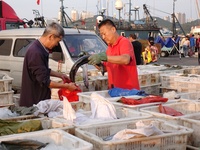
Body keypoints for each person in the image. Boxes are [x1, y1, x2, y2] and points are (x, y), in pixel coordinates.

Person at [20, 22, 78, 107]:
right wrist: (66, 86)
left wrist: (60, 75)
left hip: (41, 100)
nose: (56, 44)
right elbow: (45, 82)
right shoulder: (36, 52)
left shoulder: (41, 48)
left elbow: (43, 70)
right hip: (34, 103)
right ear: (50, 37)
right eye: (57, 41)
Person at [88, 19, 140, 90]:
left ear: (113, 29)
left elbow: (126, 59)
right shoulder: (109, 48)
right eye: (101, 35)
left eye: (104, 34)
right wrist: (91, 60)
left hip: (129, 91)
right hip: (115, 90)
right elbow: (105, 68)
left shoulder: (124, 42)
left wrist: (105, 57)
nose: (103, 37)